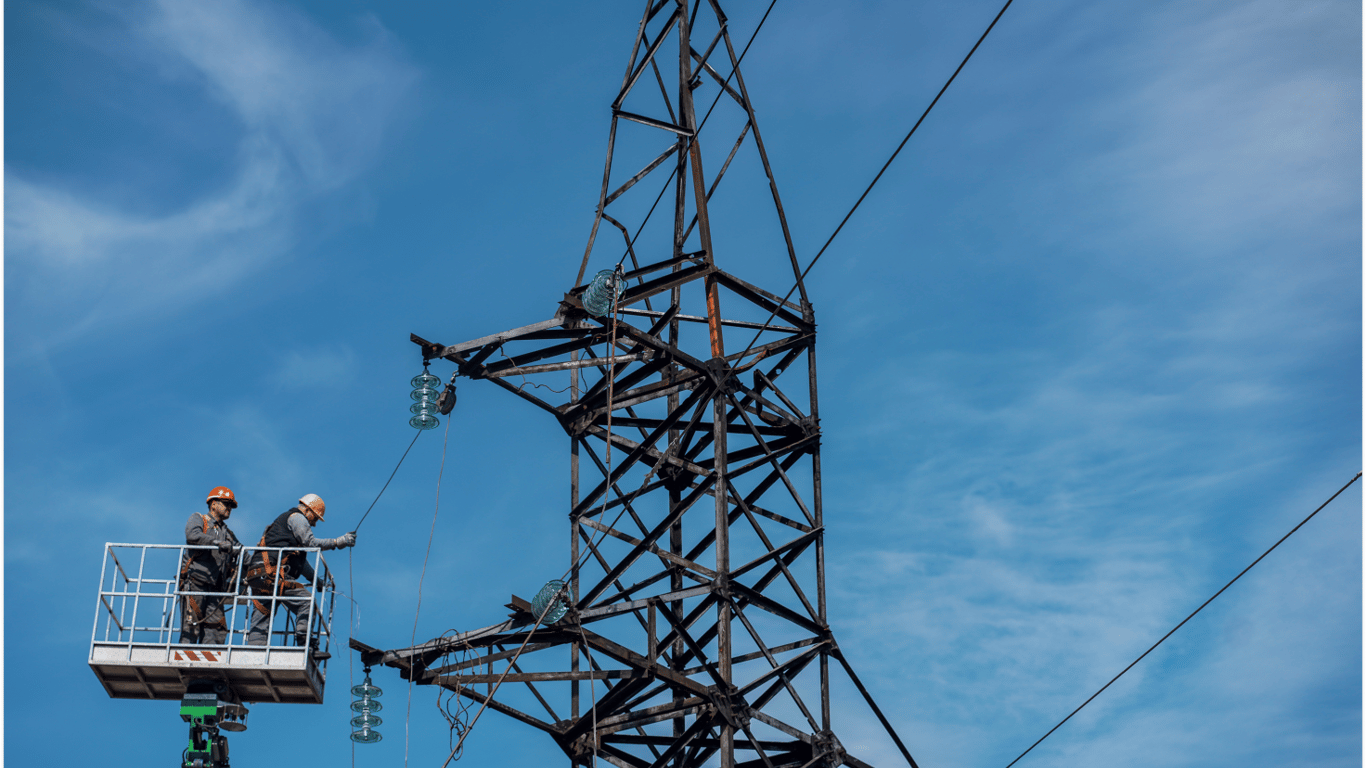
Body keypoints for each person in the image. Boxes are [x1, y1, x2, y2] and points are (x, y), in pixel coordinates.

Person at [244, 493, 355, 658]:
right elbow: (310, 543)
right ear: (308, 511)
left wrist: (315, 580)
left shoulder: (286, 533)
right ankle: (305, 646)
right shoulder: (297, 518)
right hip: (271, 573)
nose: (314, 523)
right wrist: (337, 542)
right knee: (305, 602)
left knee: (262, 614)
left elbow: (299, 564)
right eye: (315, 518)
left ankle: (254, 654)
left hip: (258, 575)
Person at [179, 486, 242, 644]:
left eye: (231, 505)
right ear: (213, 504)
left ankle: (208, 667)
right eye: (226, 503)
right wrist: (216, 543)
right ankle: (186, 666)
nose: (229, 508)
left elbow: (242, 554)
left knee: (216, 631)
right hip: (195, 583)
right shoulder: (199, 518)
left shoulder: (228, 533)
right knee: (191, 628)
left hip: (214, 589)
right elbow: (192, 535)